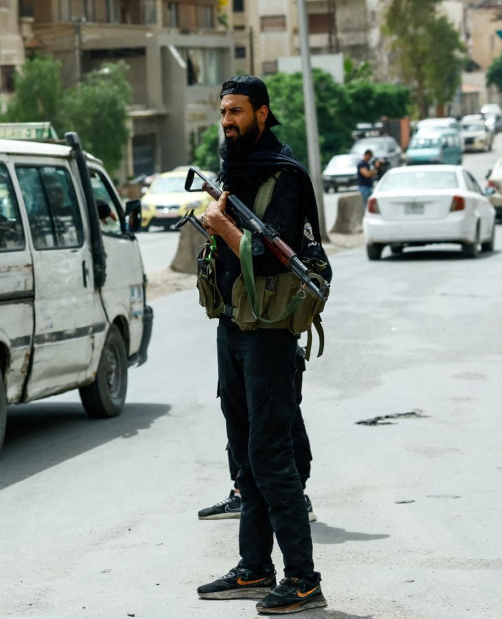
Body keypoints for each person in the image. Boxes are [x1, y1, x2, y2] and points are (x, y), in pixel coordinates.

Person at [195, 75, 327, 615]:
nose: (228, 121)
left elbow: (276, 253)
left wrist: (221, 226)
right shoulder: (233, 171)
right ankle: (255, 568)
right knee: (245, 457)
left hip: (270, 334)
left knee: (273, 457)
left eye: (238, 112)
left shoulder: (283, 175)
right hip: (233, 328)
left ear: (263, 113)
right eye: (224, 112)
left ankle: (303, 579)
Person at [198, 347, 316, 522]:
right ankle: (243, 494)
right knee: (241, 416)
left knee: (281, 416)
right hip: (242, 337)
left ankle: (296, 497)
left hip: (273, 339)